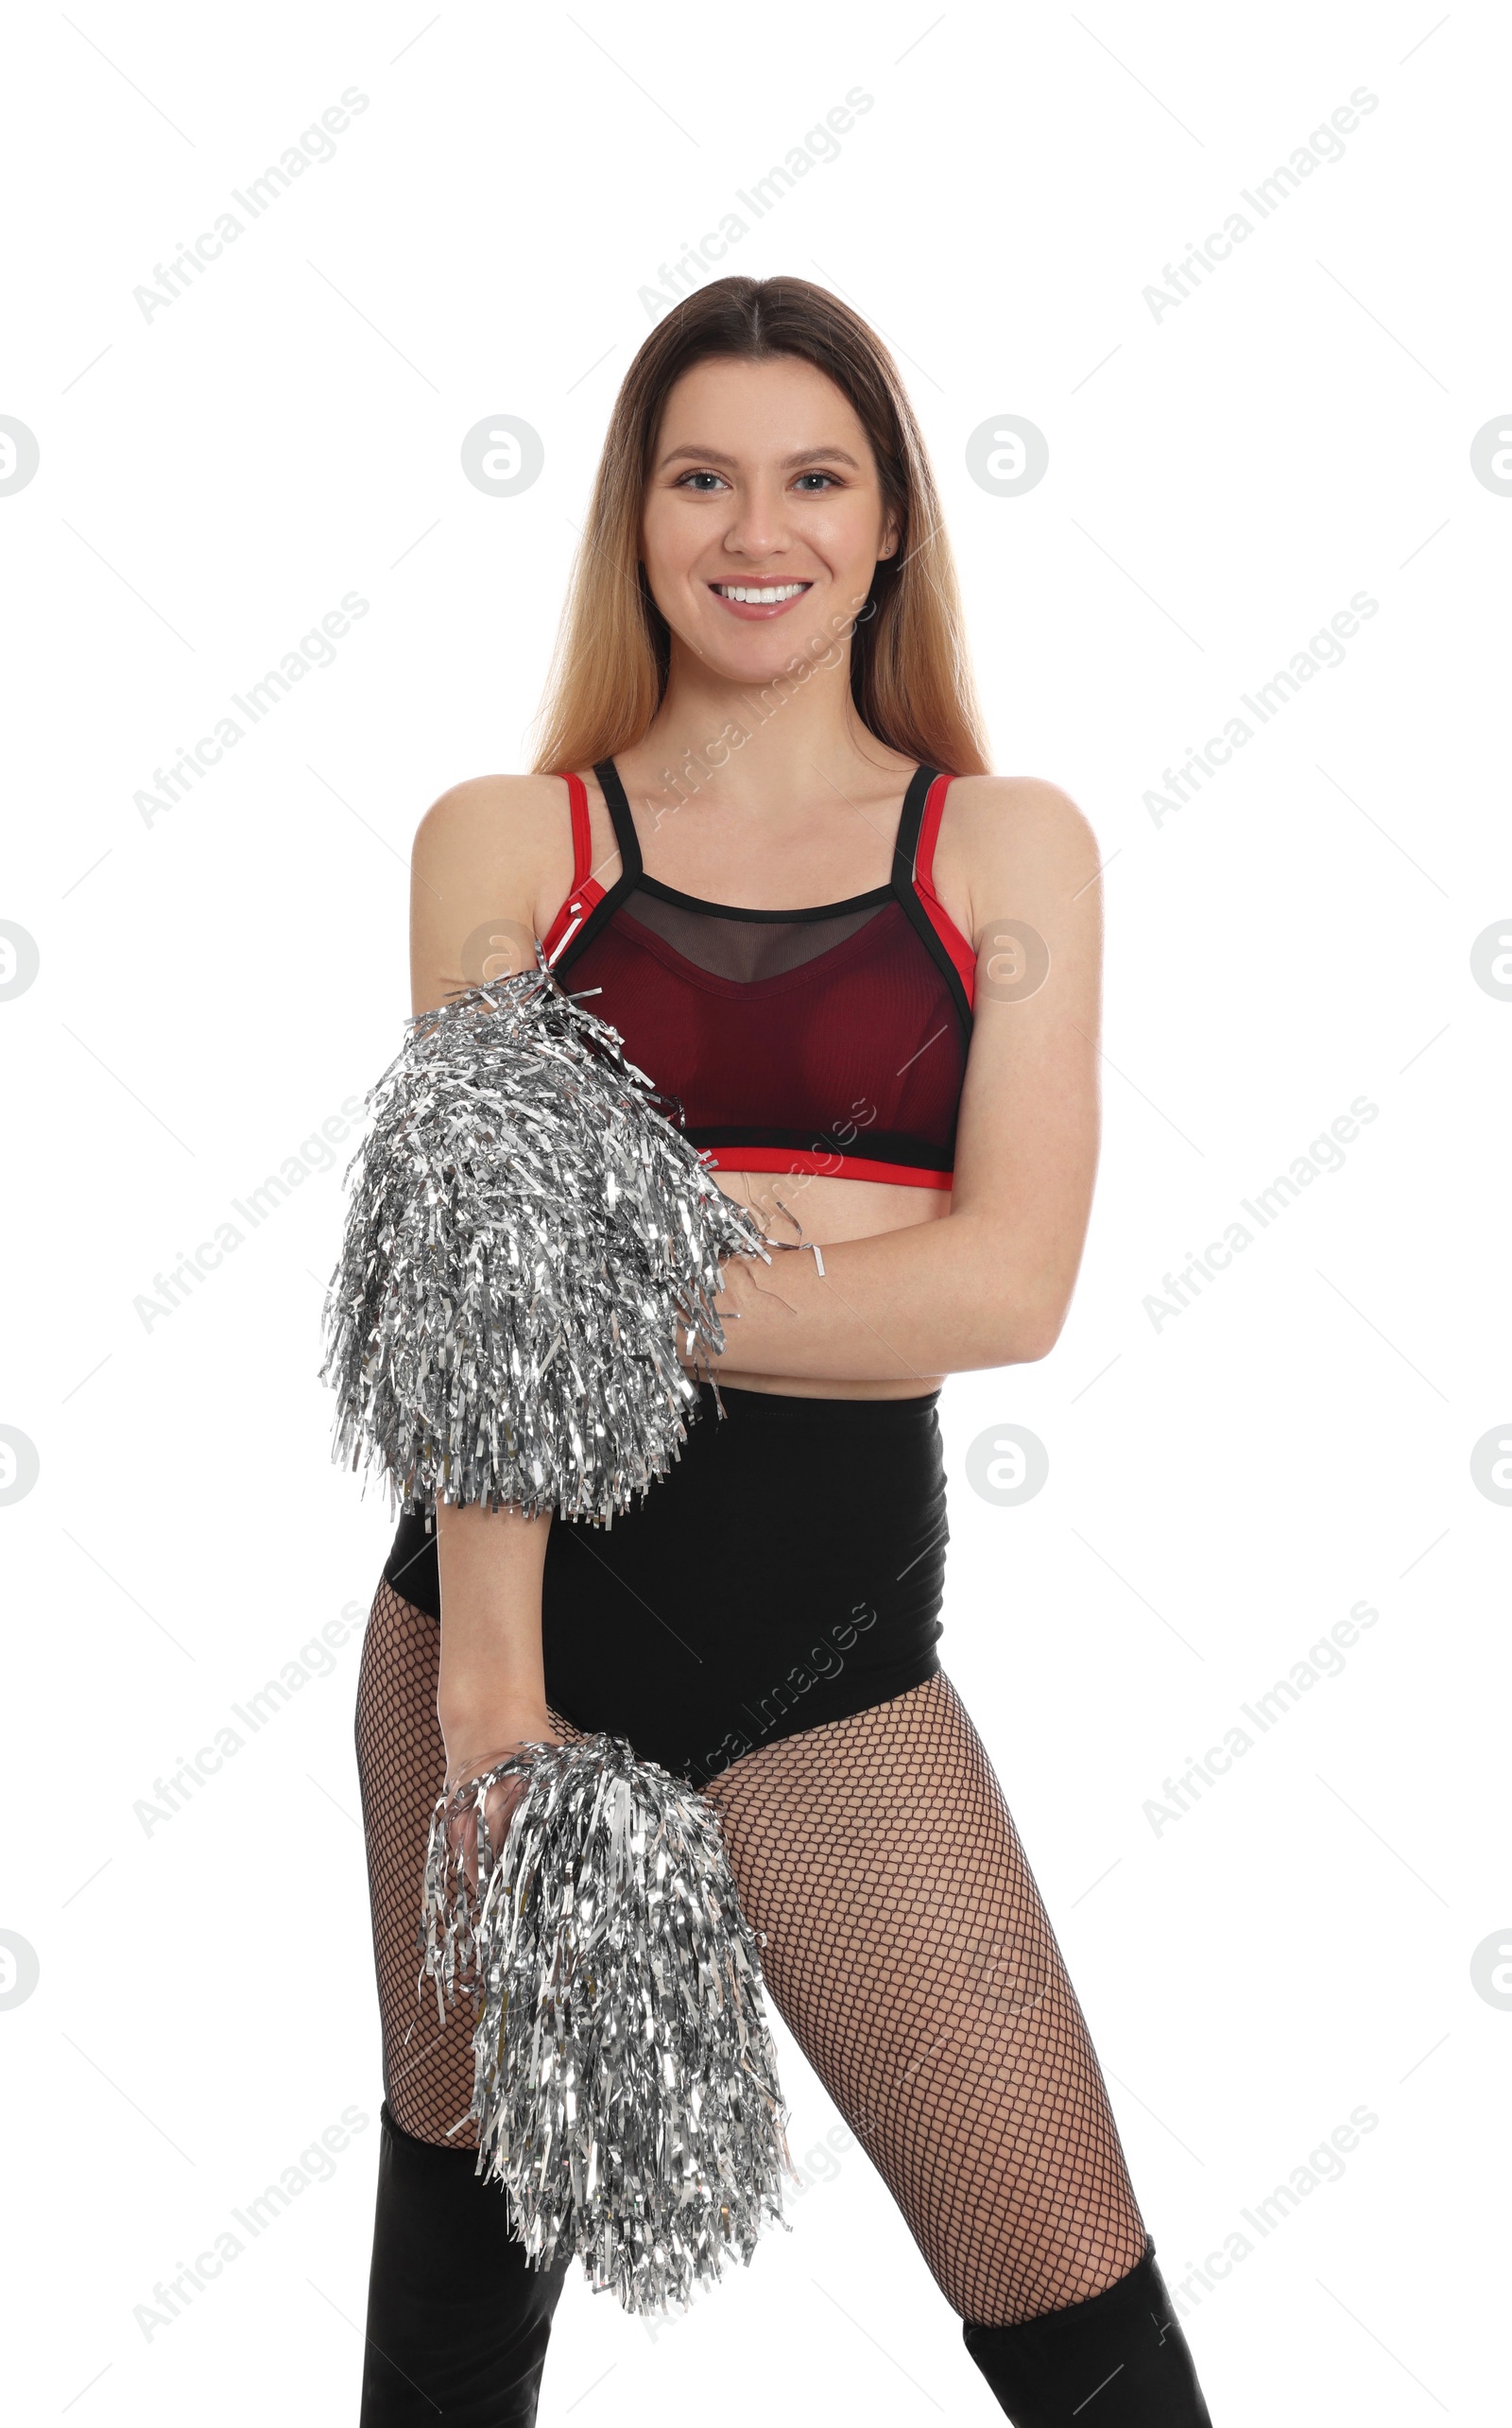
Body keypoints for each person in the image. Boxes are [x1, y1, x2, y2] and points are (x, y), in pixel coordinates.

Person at [352, 274, 1213, 2425]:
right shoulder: (509, 842)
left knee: (1083, 2333)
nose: (762, 527)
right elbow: (470, 1332)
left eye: (815, 475)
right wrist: (489, 1713)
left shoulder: (1000, 847)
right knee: (462, 2308)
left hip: (831, 1660)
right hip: (502, 1625)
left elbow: (1005, 1288)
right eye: (703, 476)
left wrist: (564, 1282)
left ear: (893, 517)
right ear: (635, 522)